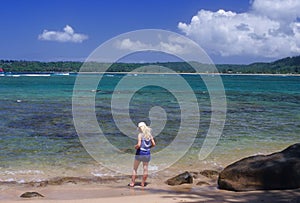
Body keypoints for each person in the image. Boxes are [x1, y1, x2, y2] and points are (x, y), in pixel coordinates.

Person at [129, 122, 156, 187]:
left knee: (135, 169)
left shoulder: (140, 135)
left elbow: (139, 145)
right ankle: (143, 183)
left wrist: (135, 147)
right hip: (147, 153)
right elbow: (154, 144)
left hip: (140, 153)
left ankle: (132, 183)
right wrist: (149, 147)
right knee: (145, 169)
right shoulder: (150, 135)